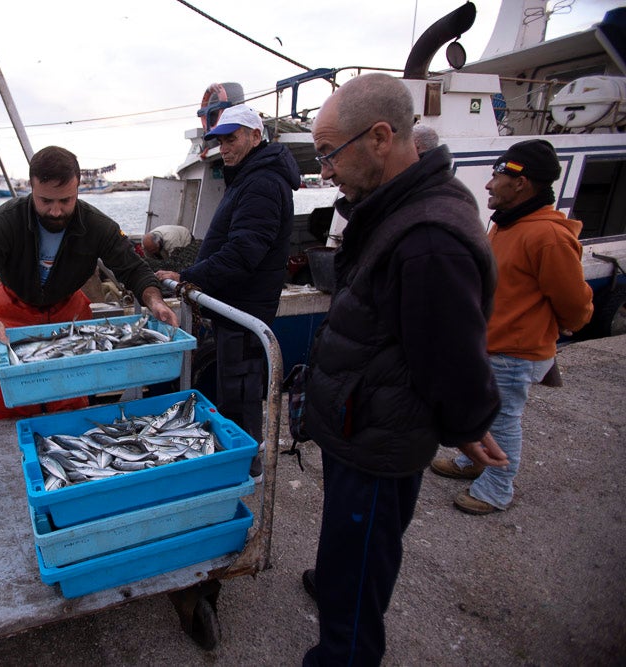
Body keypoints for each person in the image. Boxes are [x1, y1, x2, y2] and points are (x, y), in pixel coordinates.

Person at [301, 73, 507, 665]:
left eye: (328, 154)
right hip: (361, 419)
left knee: (363, 554)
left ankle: (345, 651)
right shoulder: (398, 204)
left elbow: (451, 352)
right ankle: (340, 586)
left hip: (382, 434)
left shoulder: (426, 237)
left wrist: (468, 422)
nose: (326, 172)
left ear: (381, 137)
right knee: (348, 541)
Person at [430, 139, 594, 514]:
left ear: (521, 183)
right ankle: (476, 460)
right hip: (489, 344)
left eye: (498, 176)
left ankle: (497, 488)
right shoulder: (508, 226)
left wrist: (572, 323)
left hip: (514, 351)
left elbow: (572, 299)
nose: (489, 184)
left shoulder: (546, 235)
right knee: (480, 410)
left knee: (503, 420)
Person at [0, 146, 178, 419]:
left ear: (78, 189)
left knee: (70, 403)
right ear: (31, 187)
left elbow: (133, 268)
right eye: (46, 201)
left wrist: (154, 301)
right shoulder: (5, 221)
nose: (56, 210)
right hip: (11, 317)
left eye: (66, 201)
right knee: (14, 407)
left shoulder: (97, 225)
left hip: (69, 316)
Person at [155, 104, 299, 478]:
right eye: (220, 141)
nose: (226, 148)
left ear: (256, 136)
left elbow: (243, 252)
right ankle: (239, 459)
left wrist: (189, 276)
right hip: (237, 307)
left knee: (240, 391)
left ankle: (245, 466)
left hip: (244, 310)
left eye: (232, 138)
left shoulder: (263, 183)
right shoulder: (252, 177)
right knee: (236, 387)